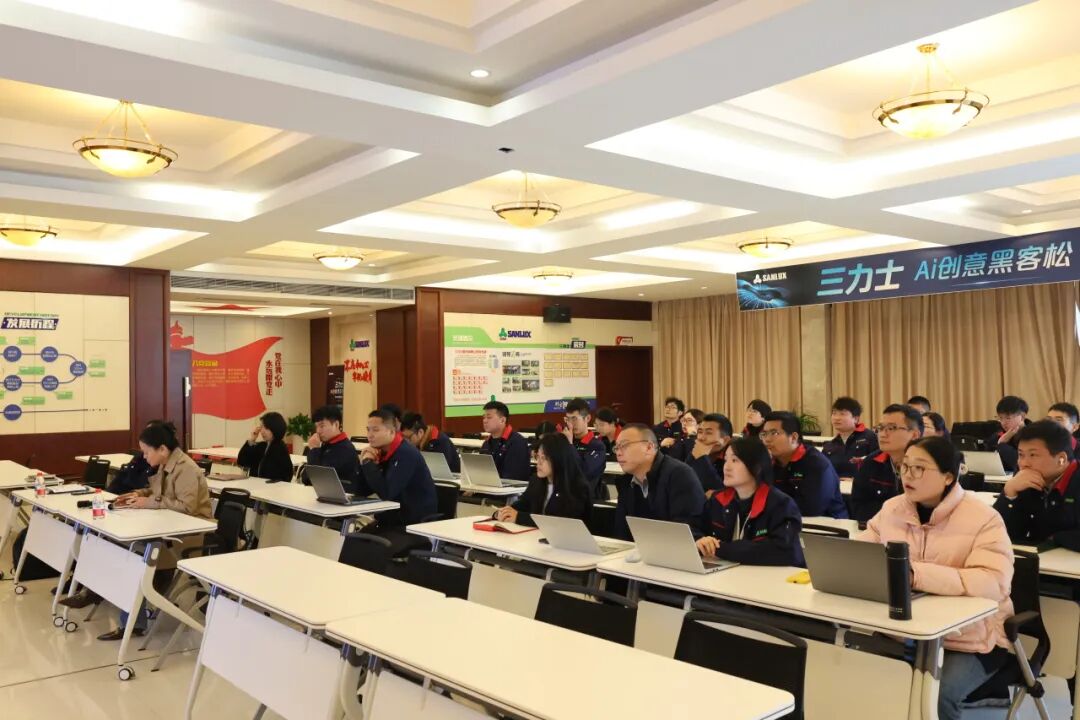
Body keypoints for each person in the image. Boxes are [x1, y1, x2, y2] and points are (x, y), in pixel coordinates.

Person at [859, 436, 1014, 720]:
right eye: (904, 466)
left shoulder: (984, 518)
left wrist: (916, 575)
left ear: (948, 477)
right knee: (856, 676)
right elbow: (863, 555)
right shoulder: (892, 509)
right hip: (902, 629)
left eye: (919, 468)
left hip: (971, 638)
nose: (908, 475)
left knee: (937, 695)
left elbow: (993, 582)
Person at [92, 422, 213, 640]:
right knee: (119, 545)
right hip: (169, 528)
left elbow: (186, 508)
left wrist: (148, 502)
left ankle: (132, 622)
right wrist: (138, 494)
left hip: (189, 536)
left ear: (162, 449)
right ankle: (117, 605)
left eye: (147, 452)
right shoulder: (167, 464)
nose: (145, 457)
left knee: (134, 553)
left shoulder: (186, 469)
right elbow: (157, 492)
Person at [696, 436, 803, 566]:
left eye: (734, 460)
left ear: (756, 467)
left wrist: (720, 548)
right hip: (727, 573)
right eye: (725, 460)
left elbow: (784, 551)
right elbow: (696, 529)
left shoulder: (781, 505)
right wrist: (700, 541)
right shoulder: (718, 500)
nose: (726, 467)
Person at [993, 420, 1080, 550]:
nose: (1024, 463)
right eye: (1021, 455)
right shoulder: (1026, 480)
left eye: (1033, 455)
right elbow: (999, 534)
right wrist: (1009, 494)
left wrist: (1055, 539)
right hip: (1039, 559)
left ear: (1061, 459)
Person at [612, 424, 705, 540]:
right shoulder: (626, 481)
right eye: (616, 448)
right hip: (639, 548)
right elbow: (621, 530)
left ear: (649, 447)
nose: (618, 453)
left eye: (624, 446)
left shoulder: (679, 474)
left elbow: (687, 530)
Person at [357, 408, 437, 528]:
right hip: (392, 518)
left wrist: (368, 463)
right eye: (368, 430)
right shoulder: (381, 451)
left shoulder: (406, 453)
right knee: (352, 538)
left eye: (376, 430)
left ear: (391, 432)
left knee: (358, 539)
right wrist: (363, 463)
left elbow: (387, 492)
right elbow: (361, 490)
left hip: (413, 523)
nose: (370, 435)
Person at [761, 411, 847, 519]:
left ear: (793, 437)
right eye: (764, 434)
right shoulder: (769, 462)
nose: (767, 439)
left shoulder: (816, 464)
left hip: (826, 524)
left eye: (774, 433)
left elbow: (811, 509)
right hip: (783, 521)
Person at [494, 433, 592, 527]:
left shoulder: (577, 487)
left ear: (558, 458)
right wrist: (503, 512)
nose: (539, 462)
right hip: (537, 536)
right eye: (538, 457)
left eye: (544, 458)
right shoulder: (536, 481)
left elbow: (559, 522)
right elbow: (523, 504)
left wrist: (519, 517)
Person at [851, 404, 924, 523]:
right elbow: (859, 505)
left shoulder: (929, 467)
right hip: (877, 528)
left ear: (914, 435)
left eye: (891, 428)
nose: (883, 434)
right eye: (880, 428)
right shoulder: (871, 462)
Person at [559, 398, 607, 498]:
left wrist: (570, 444)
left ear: (587, 418)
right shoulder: (564, 441)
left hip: (585, 499)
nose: (570, 424)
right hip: (564, 495)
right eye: (568, 419)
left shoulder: (597, 446)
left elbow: (583, 472)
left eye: (574, 419)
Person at [821, 396, 878, 478]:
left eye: (842, 414)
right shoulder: (829, 445)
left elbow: (878, 465)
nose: (836, 418)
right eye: (834, 413)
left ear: (855, 418)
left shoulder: (869, 437)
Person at [304, 404, 359, 486]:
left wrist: (314, 449)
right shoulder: (326, 444)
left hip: (341, 493)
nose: (318, 431)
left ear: (336, 424)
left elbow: (318, 478)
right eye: (316, 427)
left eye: (322, 426)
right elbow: (305, 478)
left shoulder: (345, 449)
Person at [106, 420, 164, 495]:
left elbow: (149, 488)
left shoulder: (161, 463)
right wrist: (109, 493)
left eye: (150, 434)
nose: (145, 456)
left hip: (137, 497)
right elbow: (123, 475)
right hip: (125, 495)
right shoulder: (140, 458)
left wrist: (135, 494)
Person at [479, 400, 530, 481]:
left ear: (502, 420)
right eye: (484, 417)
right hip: (489, 485)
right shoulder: (486, 444)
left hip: (509, 487)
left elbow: (513, 478)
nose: (484, 421)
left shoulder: (517, 443)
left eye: (489, 417)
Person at [685, 412, 733, 496]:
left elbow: (722, 493)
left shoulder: (734, 459)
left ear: (725, 440)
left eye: (708, 433)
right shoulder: (697, 451)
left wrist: (702, 458)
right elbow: (683, 480)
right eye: (700, 432)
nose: (701, 438)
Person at [237, 411, 294, 482]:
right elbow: (241, 461)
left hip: (269, 487)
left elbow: (287, 476)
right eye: (261, 427)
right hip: (255, 485)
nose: (262, 431)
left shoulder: (280, 448)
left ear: (275, 428)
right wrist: (252, 440)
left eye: (266, 428)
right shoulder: (263, 445)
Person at [986, 395, 1030, 473]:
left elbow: (1021, 463)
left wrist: (1002, 444)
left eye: (1008, 418)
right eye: (1000, 418)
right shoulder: (998, 435)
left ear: (1022, 417)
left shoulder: (1033, 436)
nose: (1003, 423)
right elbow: (987, 461)